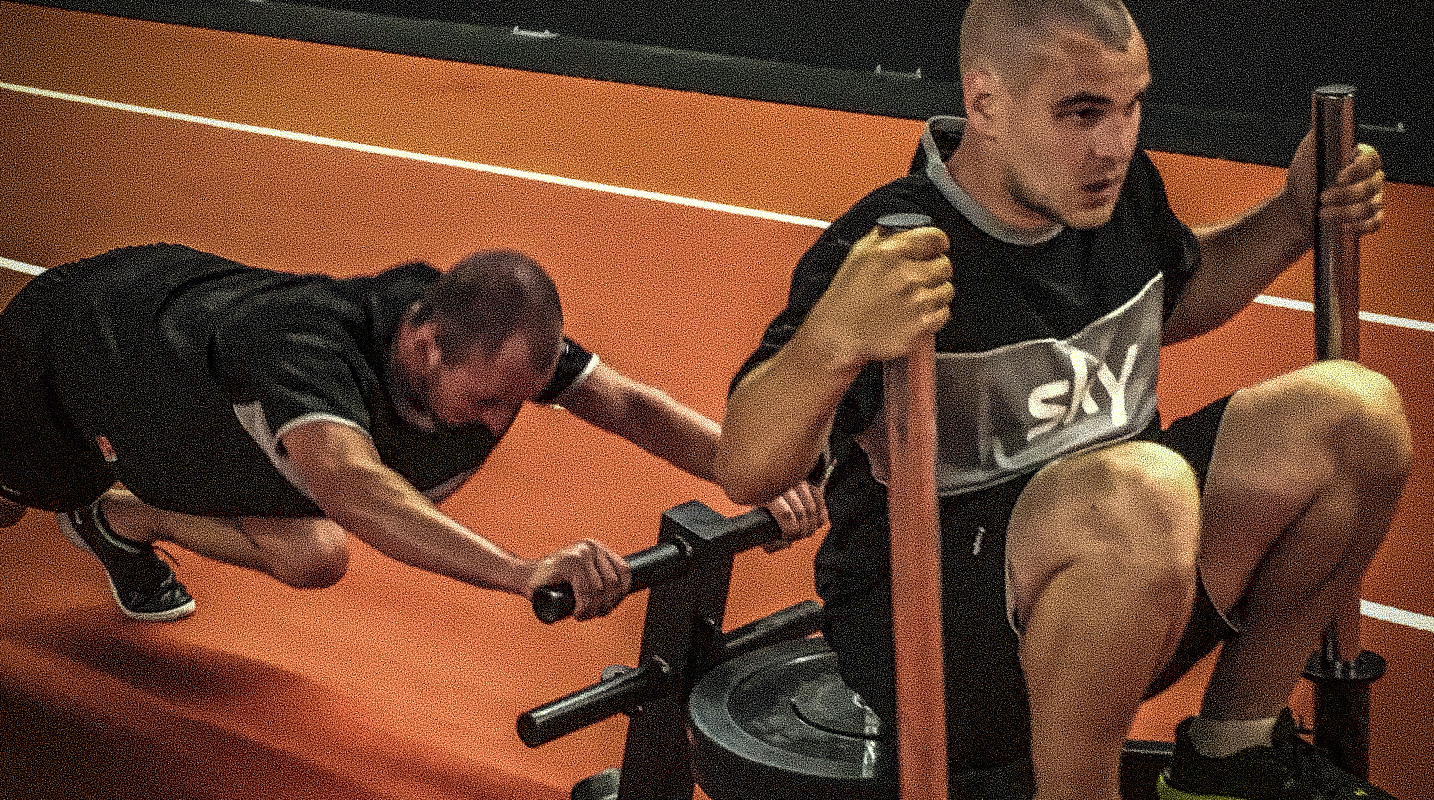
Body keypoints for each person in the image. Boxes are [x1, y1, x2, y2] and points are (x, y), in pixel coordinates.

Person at [714, 1, 1408, 799]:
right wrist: (833, 338)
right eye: (1081, 113)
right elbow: (746, 468)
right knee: (1142, 493)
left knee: (1358, 417)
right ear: (986, 104)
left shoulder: (1112, 197)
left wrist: (1296, 217)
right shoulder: (892, 245)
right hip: (942, 651)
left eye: (1130, 105)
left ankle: (1231, 755)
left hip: (1131, 580)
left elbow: (1175, 299)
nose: (1114, 145)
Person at [0, 244, 825, 624]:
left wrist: (751, 468)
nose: (506, 421)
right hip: (76, 348)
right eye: (493, 400)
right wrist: (521, 571)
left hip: (181, 436)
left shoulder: (481, 334)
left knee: (312, 558)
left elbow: (627, 404)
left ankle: (116, 519)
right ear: (424, 348)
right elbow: (357, 487)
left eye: (521, 400)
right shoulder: (304, 348)